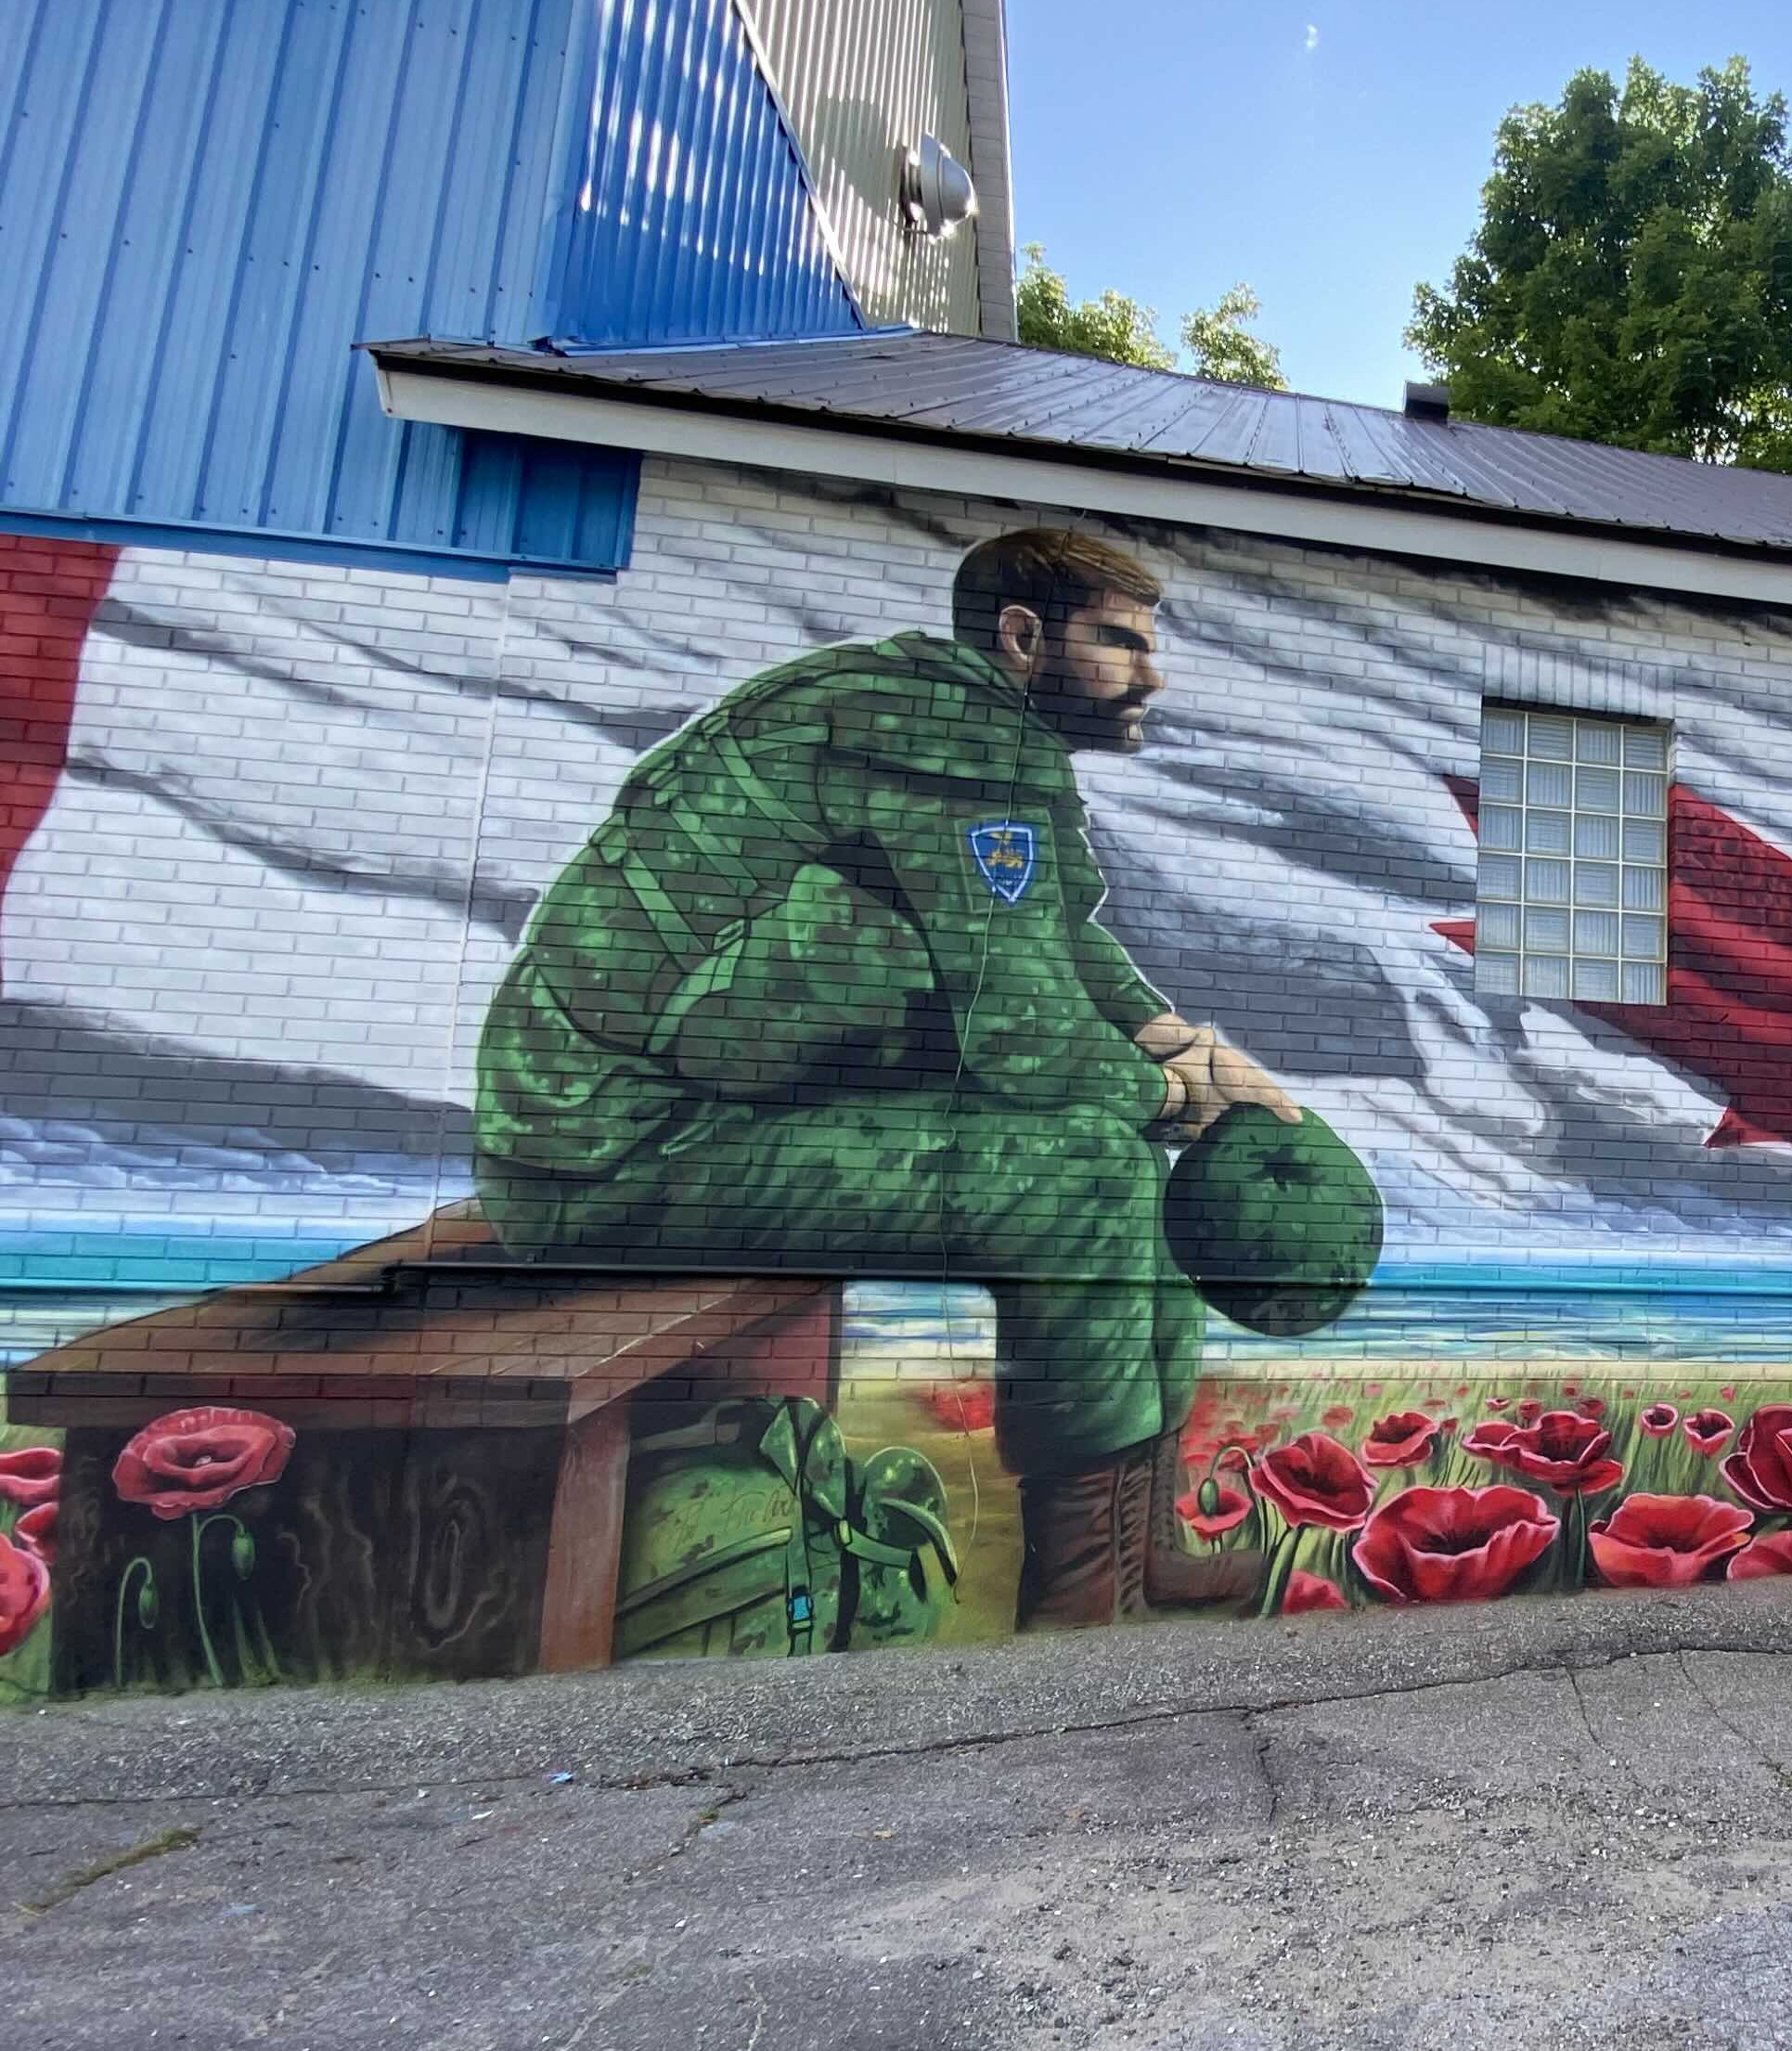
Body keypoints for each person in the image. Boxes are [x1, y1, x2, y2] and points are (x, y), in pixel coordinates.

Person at [473, 526, 1315, 1627]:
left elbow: (1053, 939)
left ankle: (1135, 1550)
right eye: (1119, 640)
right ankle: (1080, 1599)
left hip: (688, 1113)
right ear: (1022, 636)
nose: (1151, 673)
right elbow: (1021, 1032)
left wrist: (1182, 1044)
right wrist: (1173, 1099)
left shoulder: (946, 726)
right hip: (620, 1146)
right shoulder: (943, 743)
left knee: (1126, 1160)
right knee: (1088, 1179)